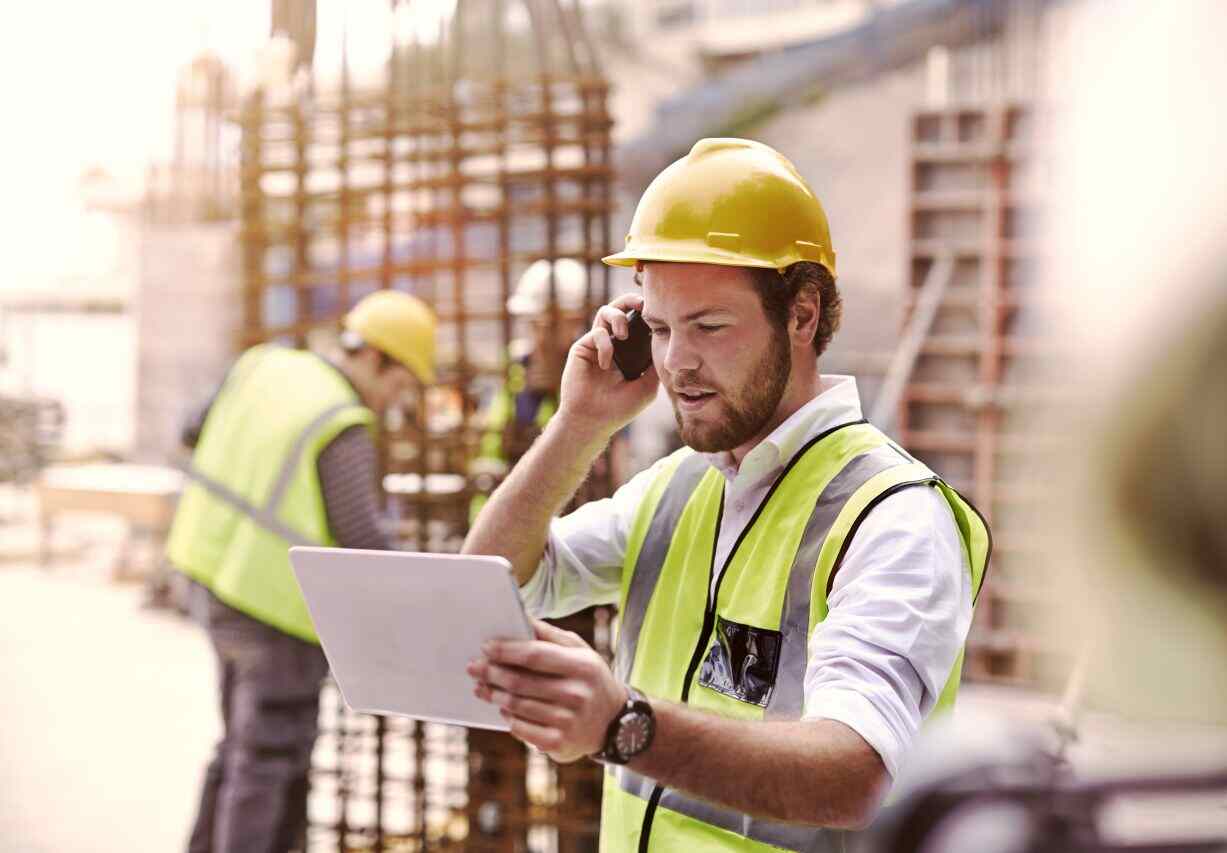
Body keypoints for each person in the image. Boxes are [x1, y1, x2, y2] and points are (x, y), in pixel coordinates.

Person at [463, 137, 990, 851]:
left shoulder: (893, 516)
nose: (677, 361)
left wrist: (626, 725)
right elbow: (492, 583)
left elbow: (857, 771)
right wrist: (577, 424)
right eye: (657, 327)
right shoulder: (678, 488)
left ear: (802, 315)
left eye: (708, 325)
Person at [167, 289, 436, 853]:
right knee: (268, 759)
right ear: (375, 358)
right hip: (275, 609)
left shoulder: (263, 364)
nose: (395, 402)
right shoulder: (342, 422)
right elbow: (360, 539)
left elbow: (192, 429)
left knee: (239, 747)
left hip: (209, 578)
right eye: (400, 384)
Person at [471, 258, 590, 517]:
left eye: (547, 325)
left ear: (575, 321)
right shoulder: (516, 366)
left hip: (565, 520)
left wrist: (559, 391)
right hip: (502, 513)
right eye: (533, 325)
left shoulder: (599, 375)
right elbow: (493, 438)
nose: (538, 337)